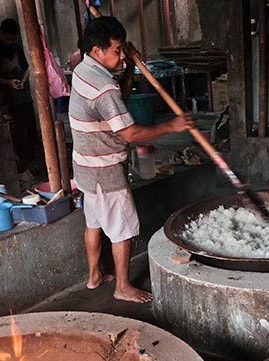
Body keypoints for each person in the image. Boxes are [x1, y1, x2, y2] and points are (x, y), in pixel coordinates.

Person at [70, 16, 193, 303]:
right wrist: (171, 126)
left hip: (85, 167)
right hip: (105, 169)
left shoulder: (83, 69)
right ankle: (123, 286)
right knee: (121, 230)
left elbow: (118, 99)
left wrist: (130, 67)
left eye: (123, 48)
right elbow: (131, 133)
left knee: (94, 223)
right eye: (117, 50)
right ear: (97, 51)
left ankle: (94, 276)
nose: (122, 54)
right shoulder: (104, 88)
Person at [0, 18, 36, 172]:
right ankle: (20, 162)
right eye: (7, 38)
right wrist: (8, 82)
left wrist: (22, 80)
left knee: (29, 126)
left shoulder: (16, 48)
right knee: (16, 131)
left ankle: (32, 159)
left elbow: (27, 68)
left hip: (22, 95)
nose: (10, 42)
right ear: (1, 34)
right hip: (6, 98)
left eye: (12, 39)